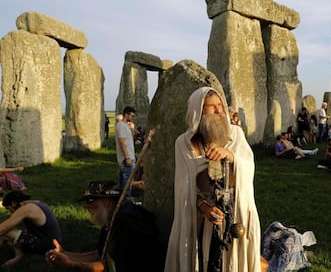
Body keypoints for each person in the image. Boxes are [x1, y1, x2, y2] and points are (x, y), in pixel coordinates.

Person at [164, 87, 262, 272]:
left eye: (220, 106)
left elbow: (248, 167)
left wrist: (230, 156)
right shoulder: (183, 144)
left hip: (234, 216)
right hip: (200, 220)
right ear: (199, 111)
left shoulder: (235, 135)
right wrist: (204, 207)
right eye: (212, 107)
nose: (219, 111)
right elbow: (183, 186)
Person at [46, 180, 164, 272]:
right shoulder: (112, 217)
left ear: (107, 201)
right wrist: (64, 255)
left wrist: (71, 264)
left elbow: (105, 267)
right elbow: (100, 254)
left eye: (91, 201)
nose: (87, 207)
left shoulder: (126, 224)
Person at [0, 191, 61, 267]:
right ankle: (19, 254)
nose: (10, 212)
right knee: (8, 234)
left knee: (5, 232)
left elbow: (3, 228)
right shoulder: (35, 203)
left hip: (47, 246)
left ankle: (19, 255)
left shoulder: (26, 209)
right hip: (51, 241)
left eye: (8, 208)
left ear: (13, 203)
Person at [115, 106, 136, 197]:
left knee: (126, 181)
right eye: (131, 116)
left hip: (129, 157)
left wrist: (132, 129)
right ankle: (127, 202)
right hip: (126, 159)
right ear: (126, 114)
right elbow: (122, 142)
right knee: (127, 183)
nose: (132, 118)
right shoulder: (121, 126)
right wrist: (127, 158)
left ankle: (123, 202)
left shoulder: (125, 126)